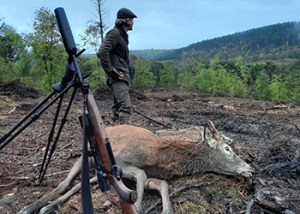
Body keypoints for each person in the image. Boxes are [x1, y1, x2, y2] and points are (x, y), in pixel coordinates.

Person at [97, 8, 137, 125]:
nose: (133, 22)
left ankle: (110, 134)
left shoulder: (122, 35)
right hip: (117, 77)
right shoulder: (114, 33)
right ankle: (125, 137)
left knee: (117, 107)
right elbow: (102, 52)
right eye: (132, 19)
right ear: (127, 20)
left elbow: (118, 57)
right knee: (125, 106)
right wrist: (111, 71)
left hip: (122, 76)